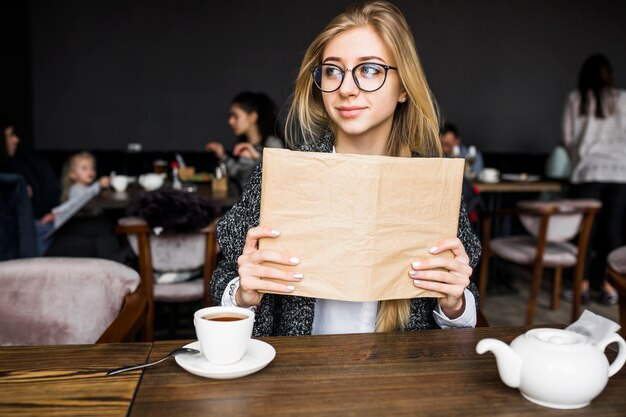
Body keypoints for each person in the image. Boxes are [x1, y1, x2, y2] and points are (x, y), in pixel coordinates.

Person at [210, 1, 481, 336]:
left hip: (400, 381)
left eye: (369, 69)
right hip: (295, 378)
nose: (346, 88)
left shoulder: (432, 187)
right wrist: (243, 294)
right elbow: (223, 288)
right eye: (332, 70)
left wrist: (453, 303)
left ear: (404, 88)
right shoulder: (282, 178)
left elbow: (461, 320)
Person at [563, 54, 626, 305]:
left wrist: (580, 159)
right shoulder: (623, 98)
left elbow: (568, 139)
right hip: (621, 174)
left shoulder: (576, 99)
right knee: (613, 230)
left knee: (586, 231)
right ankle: (610, 287)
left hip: (588, 171)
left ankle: (583, 286)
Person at [205, 92, 283, 191]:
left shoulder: (272, 143)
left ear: (252, 117)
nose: (230, 121)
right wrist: (222, 156)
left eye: (235, 116)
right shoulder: (244, 144)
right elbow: (239, 175)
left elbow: (280, 178)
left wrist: (257, 158)